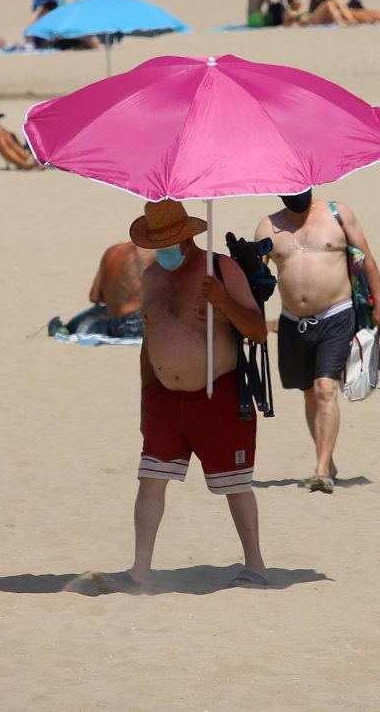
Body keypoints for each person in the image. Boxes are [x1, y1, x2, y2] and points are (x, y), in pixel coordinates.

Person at [128, 200, 268, 589]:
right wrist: (145, 397)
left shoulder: (221, 270)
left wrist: (222, 301)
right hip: (163, 399)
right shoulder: (151, 277)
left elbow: (257, 331)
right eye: (156, 243)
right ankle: (139, 571)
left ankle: (256, 565)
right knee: (150, 481)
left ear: (186, 238)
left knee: (235, 485)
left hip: (217, 394)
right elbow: (148, 338)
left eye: (167, 242)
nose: (162, 250)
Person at [256, 190, 380, 492]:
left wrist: (379, 304)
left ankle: (320, 470)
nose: (297, 194)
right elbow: (255, 281)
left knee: (326, 388)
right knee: (309, 394)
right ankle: (327, 461)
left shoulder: (337, 215)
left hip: (336, 315)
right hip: (292, 322)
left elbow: (366, 260)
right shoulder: (268, 228)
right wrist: (251, 322)